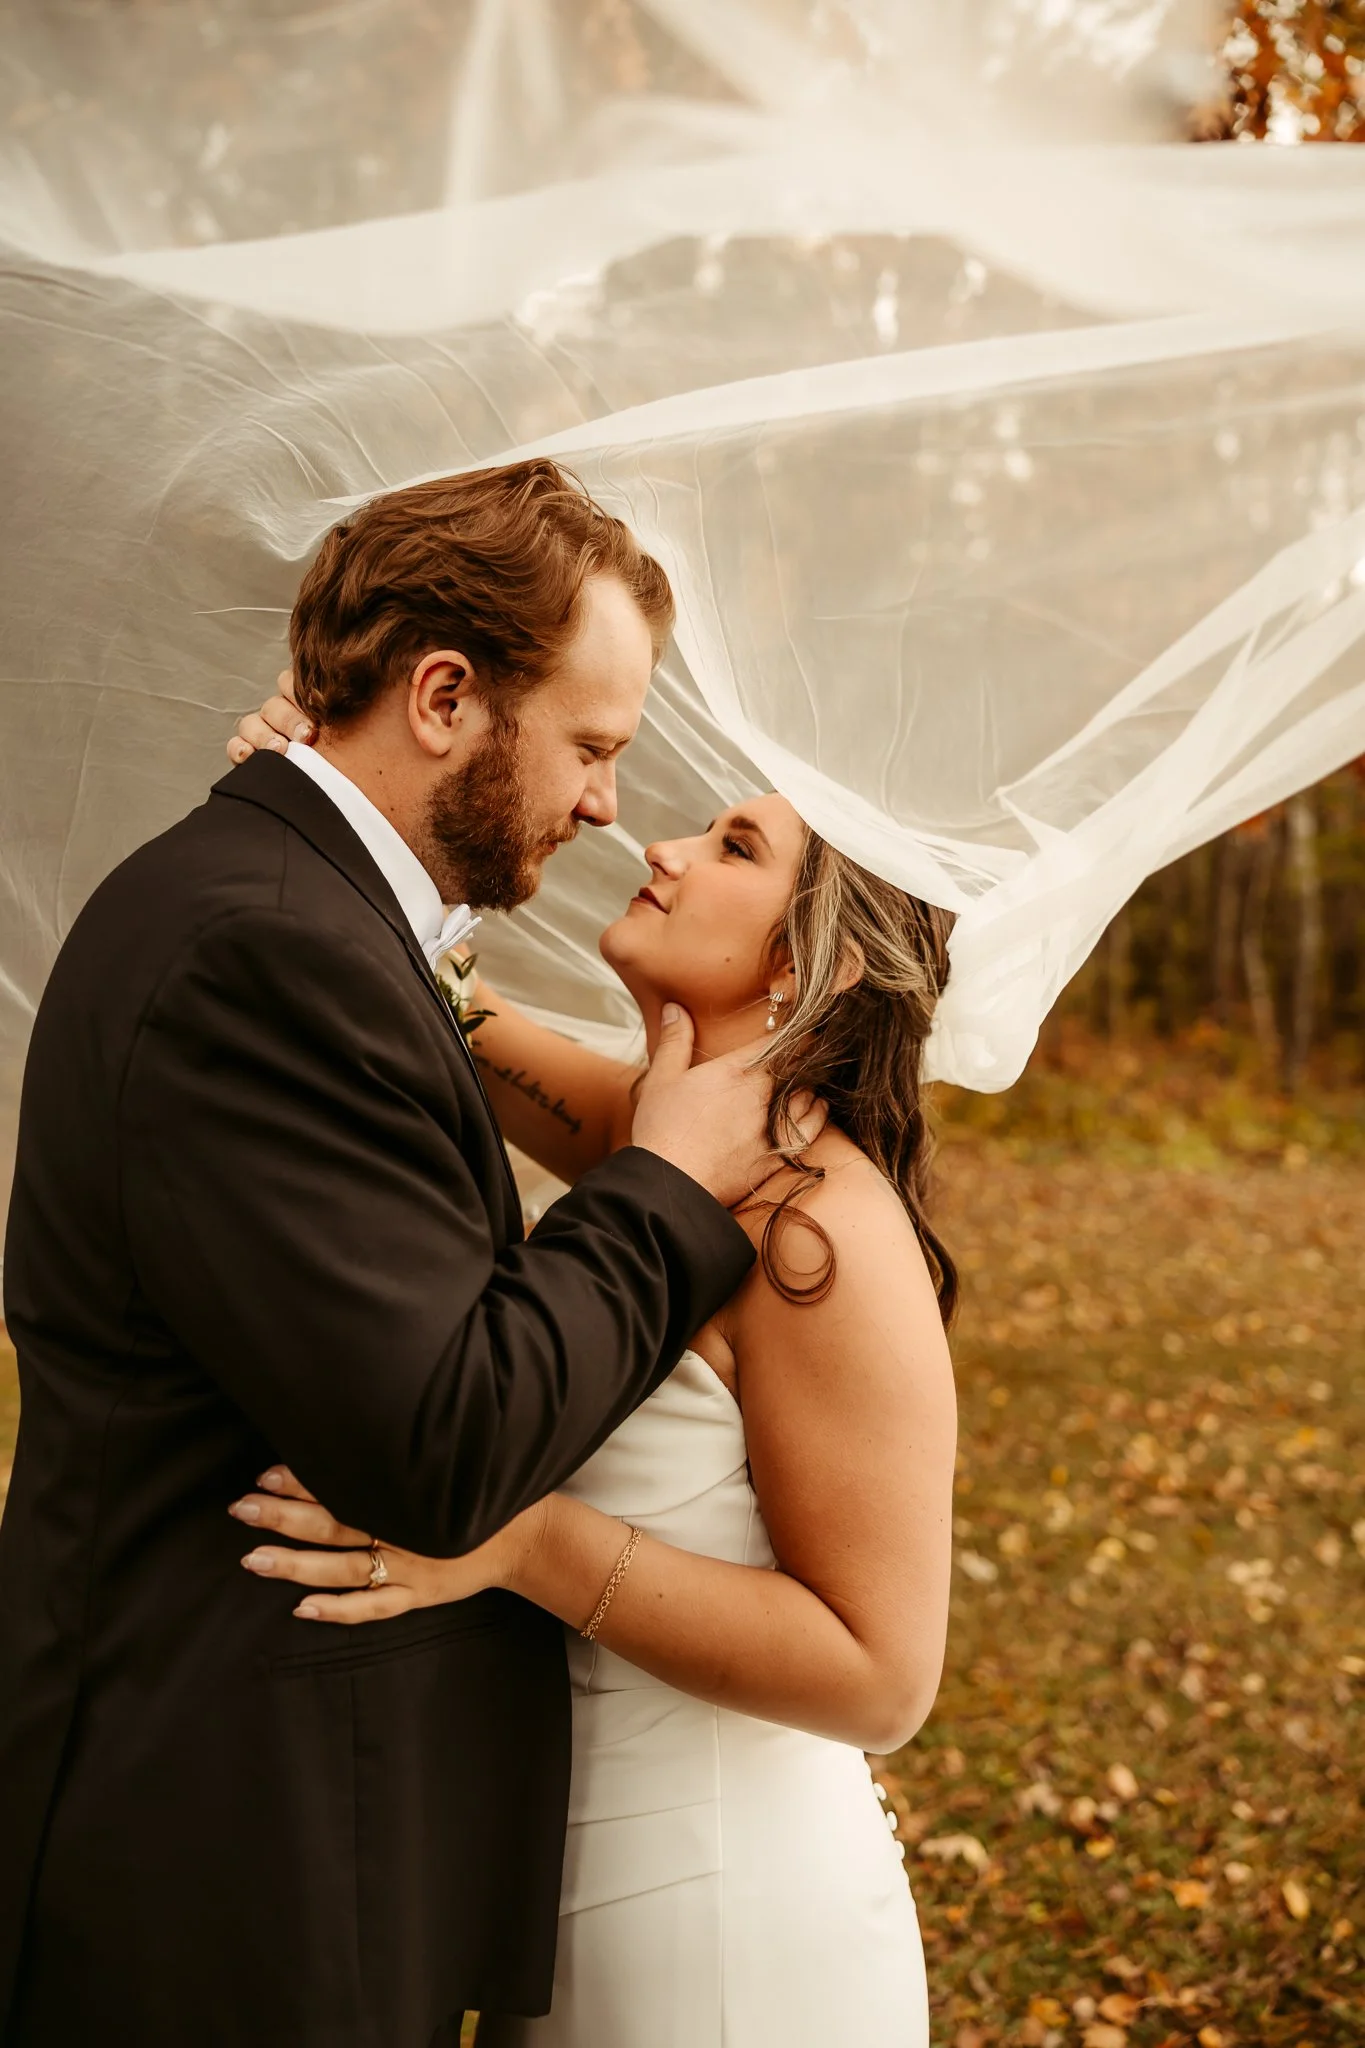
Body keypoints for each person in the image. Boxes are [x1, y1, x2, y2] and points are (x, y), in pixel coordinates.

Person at [0, 461, 807, 2048]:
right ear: (444, 694)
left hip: (268, 1834)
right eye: (589, 745)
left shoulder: (289, 915)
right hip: (218, 1873)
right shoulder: (266, 952)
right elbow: (445, 1447)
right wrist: (665, 1181)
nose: (601, 807)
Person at [233, 682, 959, 2046]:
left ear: (813, 967)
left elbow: (883, 1676)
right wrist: (335, 797)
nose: (663, 849)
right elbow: (451, 1011)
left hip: (719, 1927)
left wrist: (516, 1542)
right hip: (564, 1887)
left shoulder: (823, 1233)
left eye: (734, 848)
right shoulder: (670, 1134)